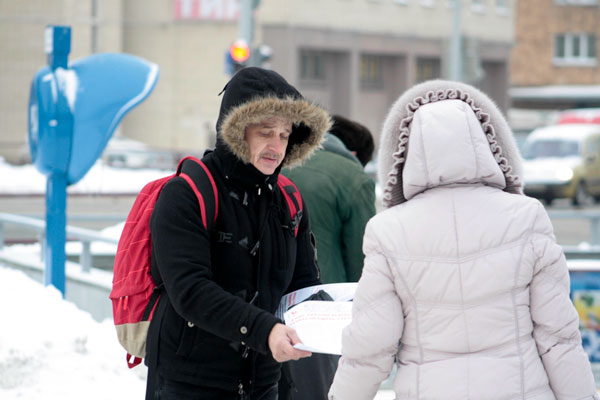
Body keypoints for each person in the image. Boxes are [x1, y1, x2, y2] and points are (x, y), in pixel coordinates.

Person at [329, 80, 599, 400]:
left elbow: (370, 348)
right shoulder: (527, 217)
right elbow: (558, 338)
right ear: (485, 143)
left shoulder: (387, 231)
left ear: (408, 151)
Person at [145, 66, 331, 400]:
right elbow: (190, 290)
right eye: (265, 132)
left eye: (284, 135)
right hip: (188, 384)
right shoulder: (186, 194)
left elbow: (302, 285)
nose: (276, 146)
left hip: (263, 383)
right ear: (237, 131)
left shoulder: (288, 201)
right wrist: (265, 330)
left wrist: (336, 317)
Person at [279, 116, 376, 400]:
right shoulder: (352, 177)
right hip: (323, 313)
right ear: (354, 154)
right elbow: (364, 261)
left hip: (262, 307)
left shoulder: (276, 161)